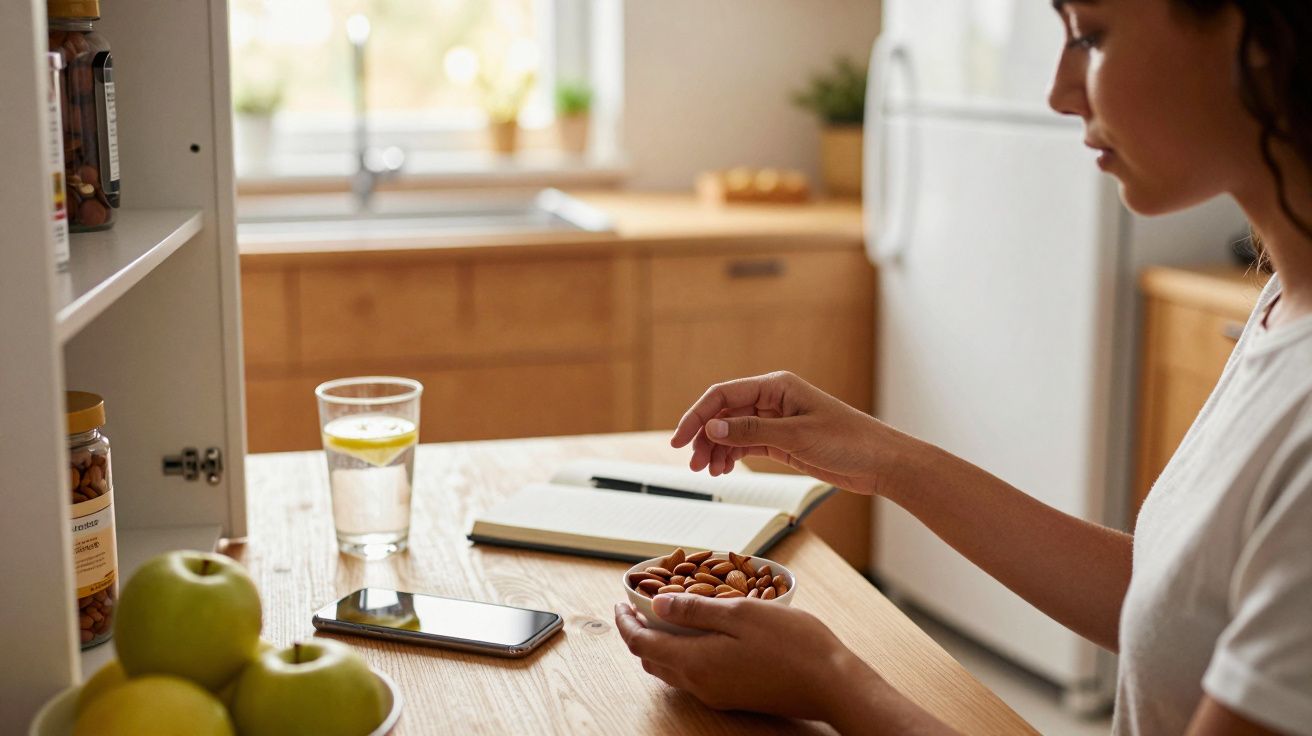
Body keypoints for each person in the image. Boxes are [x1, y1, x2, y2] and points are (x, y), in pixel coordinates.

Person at [614, 1, 1312, 733]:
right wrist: (884, 458)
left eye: (1091, 35)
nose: (1058, 92)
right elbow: (1176, 609)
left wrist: (832, 682)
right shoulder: (1284, 303)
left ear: (1258, 33)